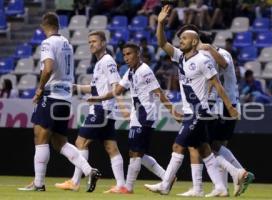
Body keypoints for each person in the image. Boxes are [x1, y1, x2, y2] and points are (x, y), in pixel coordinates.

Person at [144, 5, 245, 197]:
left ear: (195, 41)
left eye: (184, 38)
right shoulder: (181, 57)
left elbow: (217, 84)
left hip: (201, 111)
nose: (180, 41)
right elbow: (162, 43)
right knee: (203, 149)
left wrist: (230, 108)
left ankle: (165, 184)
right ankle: (226, 182)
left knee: (178, 146)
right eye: (180, 39)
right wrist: (160, 24)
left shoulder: (203, 60)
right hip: (192, 111)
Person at [17, 12, 100, 192]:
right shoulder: (67, 44)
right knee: (59, 141)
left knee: (40, 136)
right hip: (65, 98)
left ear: (43, 26)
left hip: (51, 95)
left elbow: (47, 69)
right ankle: (88, 169)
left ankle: (38, 183)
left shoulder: (48, 43)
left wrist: (40, 89)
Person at [88, 42, 182, 193]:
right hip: (137, 115)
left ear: (138, 54)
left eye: (129, 54)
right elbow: (117, 90)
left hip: (145, 114)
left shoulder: (145, 70)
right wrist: (99, 98)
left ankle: (128, 187)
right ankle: (167, 177)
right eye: (124, 54)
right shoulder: (130, 71)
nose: (126, 58)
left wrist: (173, 112)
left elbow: (159, 92)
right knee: (137, 153)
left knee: (135, 152)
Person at [177, 32, 254, 197]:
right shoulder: (213, 53)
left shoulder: (213, 53)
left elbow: (222, 67)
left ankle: (239, 173)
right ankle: (226, 184)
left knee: (208, 146)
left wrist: (209, 49)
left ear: (200, 43)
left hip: (225, 104)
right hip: (224, 103)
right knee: (217, 147)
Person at [54, 31, 126, 193]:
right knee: (111, 147)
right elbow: (95, 88)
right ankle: (122, 185)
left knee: (81, 143)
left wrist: (118, 106)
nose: (91, 44)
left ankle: (75, 181)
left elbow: (116, 86)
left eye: (94, 41)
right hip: (107, 110)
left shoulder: (107, 61)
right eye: (89, 42)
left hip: (102, 109)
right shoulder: (100, 62)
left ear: (103, 43)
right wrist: (76, 88)